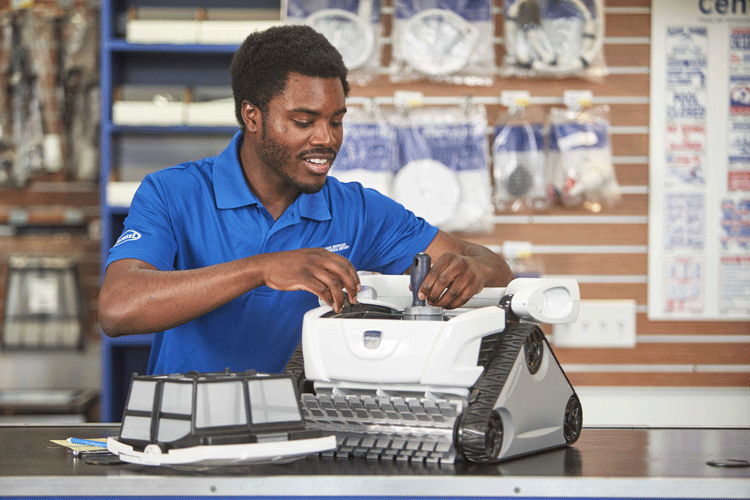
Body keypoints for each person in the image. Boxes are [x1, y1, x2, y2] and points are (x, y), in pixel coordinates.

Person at [98, 25, 514, 376]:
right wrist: (262, 269)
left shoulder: (358, 210)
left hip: (307, 440)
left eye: (336, 121)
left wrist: (472, 270)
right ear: (252, 116)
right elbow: (118, 309)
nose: (326, 139)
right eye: (304, 121)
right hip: (184, 438)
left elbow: (493, 266)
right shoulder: (173, 193)